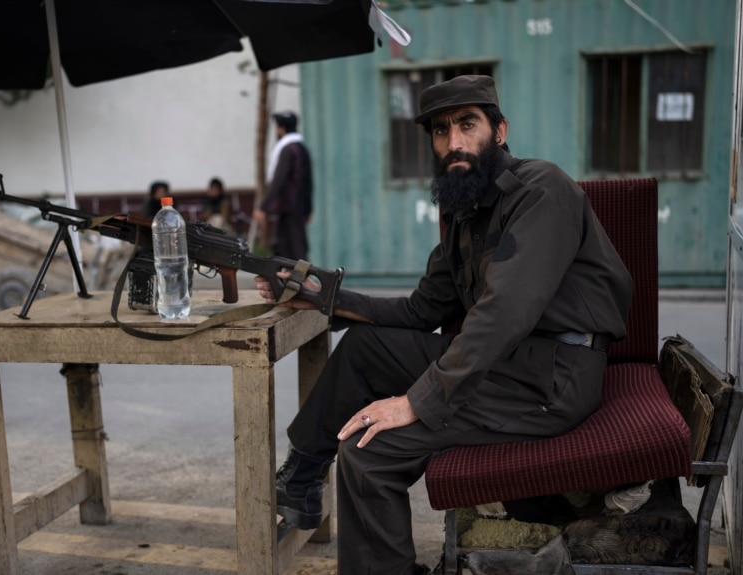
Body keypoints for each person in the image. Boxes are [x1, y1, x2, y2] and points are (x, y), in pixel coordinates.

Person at [255, 75, 633, 574]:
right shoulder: (465, 212)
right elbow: (420, 311)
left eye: (467, 125)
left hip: (551, 378)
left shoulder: (541, 190)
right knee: (368, 346)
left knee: (370, 451)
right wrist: (324, 297)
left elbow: (504, 313)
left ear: (499, 131)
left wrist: (415, 402)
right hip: (510, 365)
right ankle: (302, 476)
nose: (453, 142)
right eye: (440, 130)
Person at [254, 110, 313, 261]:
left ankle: (301, 280)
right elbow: (308, 181)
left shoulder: (288, 149)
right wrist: (308, 208)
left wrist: (263, 206)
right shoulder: (302, 148)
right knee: (283, 245)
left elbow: (278, 179)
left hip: (288, 206)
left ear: (281, 128)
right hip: (296, 206)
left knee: (293, 247)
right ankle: (287, 280)